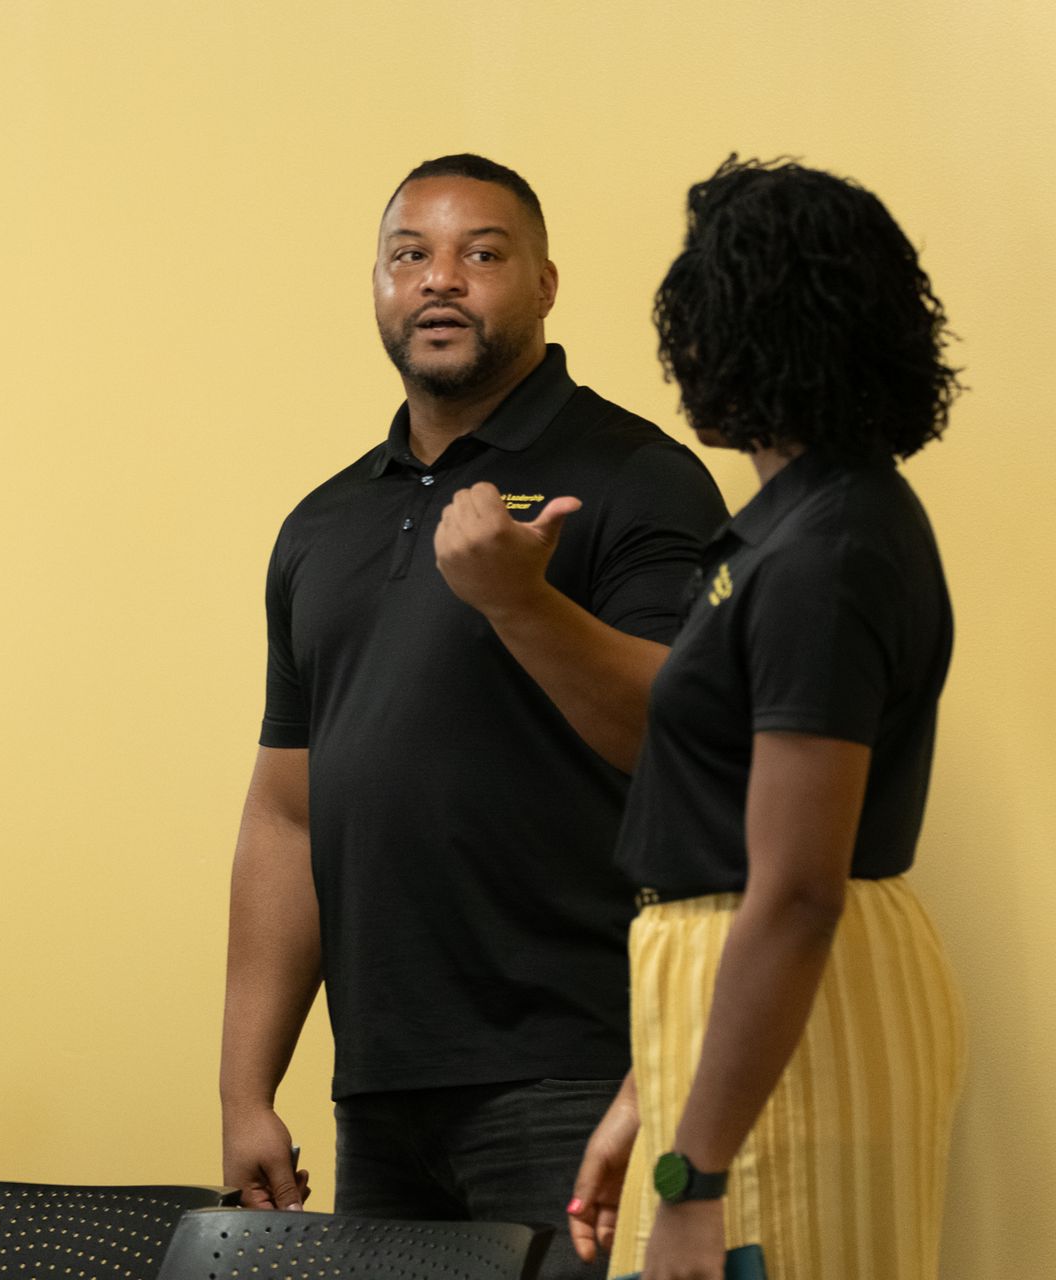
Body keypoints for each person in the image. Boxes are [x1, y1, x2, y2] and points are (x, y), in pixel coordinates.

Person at [218, 154, 728, 1280]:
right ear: (378, 285)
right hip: (384, 1086)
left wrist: (519, 599)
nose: (441, 280)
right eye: (412, 254)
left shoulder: (639, 478)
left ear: (545, 283)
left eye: (481, 254)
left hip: (575, 1071)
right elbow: (288, 813)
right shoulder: (323, 522)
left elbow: (682, 741)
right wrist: (248, 1085)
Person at [567, 157, 966, 1280]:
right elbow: (723, 835)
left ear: (743, 329)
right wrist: (648, 1093)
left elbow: (791, 891)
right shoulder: (796, 529)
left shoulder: (825, 552)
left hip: (804, 1028)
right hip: (744, 1028)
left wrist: (696, 1176)